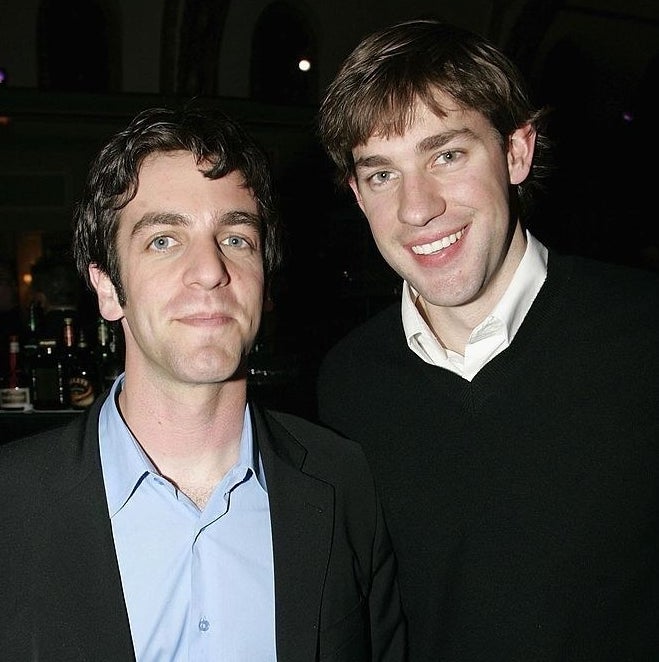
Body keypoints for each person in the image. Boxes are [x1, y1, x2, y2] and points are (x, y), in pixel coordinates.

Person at [0, 104, 407, 661]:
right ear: (108, 289)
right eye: (163, 240)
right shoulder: (11, 504)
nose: (210, 270)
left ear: (265, 283)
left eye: (236, 239)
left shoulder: (346, 483)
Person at [316, 18, 659, 661]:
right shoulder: (344, 385)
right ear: (358, 195)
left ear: (516, 152)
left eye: (446, 154)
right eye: (382, 174)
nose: (417, 208)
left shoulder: (645, 336)